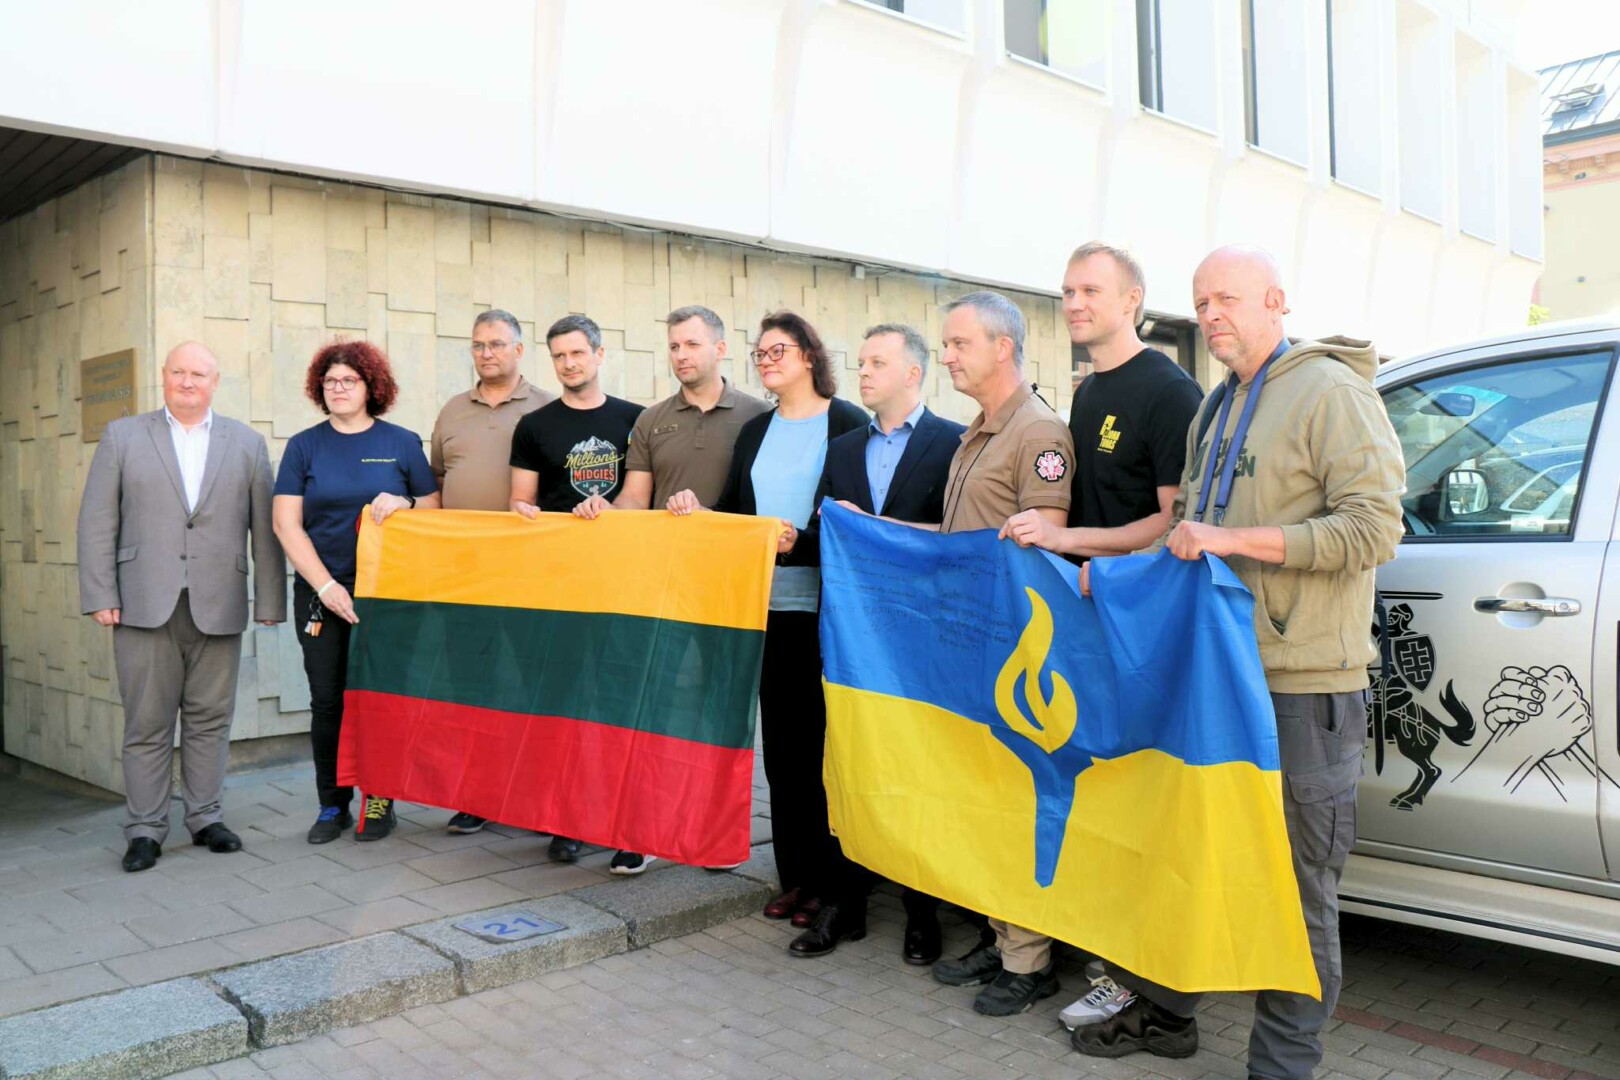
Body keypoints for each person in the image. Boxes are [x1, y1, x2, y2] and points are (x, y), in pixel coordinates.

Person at [1068, 246, 1404, 1079]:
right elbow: (1184, 538)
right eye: (1201, 303)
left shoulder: (1330, 392)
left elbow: (1374, 530)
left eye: (1228, 298)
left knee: (1294, 889)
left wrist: (1232, 539)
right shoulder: (1214, 407)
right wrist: (1111, 576)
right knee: (1195, 854)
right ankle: (1168, 1014)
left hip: (1300, 686)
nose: (1211, 314)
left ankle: (1282, 1066)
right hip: (1216, 676)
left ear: (1277, 301)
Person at [997, 242, 1203, 1028]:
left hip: (1144, 626)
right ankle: (1105, 955)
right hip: (1090, 622)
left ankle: (1146, 979)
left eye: (1091, 290)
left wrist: (1069, 543)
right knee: (1097, 793)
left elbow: (1172, 522)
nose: (1076, 303)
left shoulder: (1169, 392)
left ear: (1132, 300)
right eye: (1068, 291)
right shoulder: (1087, 396)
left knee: (1144, 797)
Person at [666, 311, 867, 938]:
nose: (766, 360)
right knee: (781, 756)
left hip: (827, 616)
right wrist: (697, 512)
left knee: (824, 756)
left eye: (778, 350)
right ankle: (796, 879)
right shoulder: (757, 429)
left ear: (809, 354)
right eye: (761, 353)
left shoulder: (847, 423)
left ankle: (835, 885)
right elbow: (735, 512)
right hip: (768, 611)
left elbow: (853, 523)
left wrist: (797, 543)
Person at [913, 291, 1075, 1016]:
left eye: (958, 343)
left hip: (1012, 652)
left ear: (1002, 348)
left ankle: (1030, 959)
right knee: (983, 799)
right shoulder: (976, 432)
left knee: (1015, 799)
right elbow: (964, 536)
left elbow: (1043, 544)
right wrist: (877, 525)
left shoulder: (1037, 432)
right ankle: (999, 933)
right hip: (968, 643)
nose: (946, 356)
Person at [785, 323, 965, 962]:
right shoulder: (842, 449)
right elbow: (827, 531)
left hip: (921, 636)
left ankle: (921, 911)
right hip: (848, 636)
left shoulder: (954, 443)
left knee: (917, 769)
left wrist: (876, 527)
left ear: (913, 373)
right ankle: (845, 904)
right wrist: (793, 540)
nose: (862, 372)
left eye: (877, 363)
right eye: (861, 362)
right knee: (847, 764)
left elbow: (957, 538)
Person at [571, 304, 770, 872]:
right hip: (660, 587)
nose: (681, 355)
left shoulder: (760, 417)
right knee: (651, 708)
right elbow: (636, 498)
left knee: (720, 715)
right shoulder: (652, 419)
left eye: (692, 344)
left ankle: (713, 835)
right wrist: (604, 511)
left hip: (731, 590)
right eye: (674, 346)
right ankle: (642, 832)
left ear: (720, 349)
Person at [77, 342, 286, 873]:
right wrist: (100, 593)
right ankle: (145, 829)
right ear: (164, 377)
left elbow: (265, 530)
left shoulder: (246, 443)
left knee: (210, 720)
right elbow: (97, 520)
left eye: (198, 373)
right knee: (147, 723)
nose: (187, 381)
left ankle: (205, 818)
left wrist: (270, 599)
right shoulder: (123, 436)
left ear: (215, 382)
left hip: (219, 602)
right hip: (142, 602)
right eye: (178, 372)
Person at [272, 340, 439, 845]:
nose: (338, 388)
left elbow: (434, 507)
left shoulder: (401, 442)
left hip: (388, 596)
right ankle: (332, 804)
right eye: (330, 381)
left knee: (380, 699)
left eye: (349, 380)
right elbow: (285, 523)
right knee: (327, 701)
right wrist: (325, 586)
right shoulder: (304, 446)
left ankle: (380, 800)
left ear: (371, 387)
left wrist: (406, 502)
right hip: (322, 594)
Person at [509, 314, 648, 872]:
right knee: (563, 703)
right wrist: (524, 513)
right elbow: (520, 500)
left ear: (599, 354)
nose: (569, 364)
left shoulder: (636, 420)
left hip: (622, 585)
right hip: (558, 587)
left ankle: (625, 822)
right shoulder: (534, 426)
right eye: (559, 356)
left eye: (577, 353)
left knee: (618, 703)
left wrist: (612, 513)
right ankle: (568, 820)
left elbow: (643, 498)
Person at [430, 309, 552, 838]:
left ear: (519, 350)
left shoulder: (548, 408)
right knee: (471, 687)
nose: (487, 353)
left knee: (535, 684)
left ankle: (540, 798)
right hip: (466, 578)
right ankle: (478, 795)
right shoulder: (452, 411)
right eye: (478, 345)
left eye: (497, 344)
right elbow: (436, 485)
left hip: (531, 577)